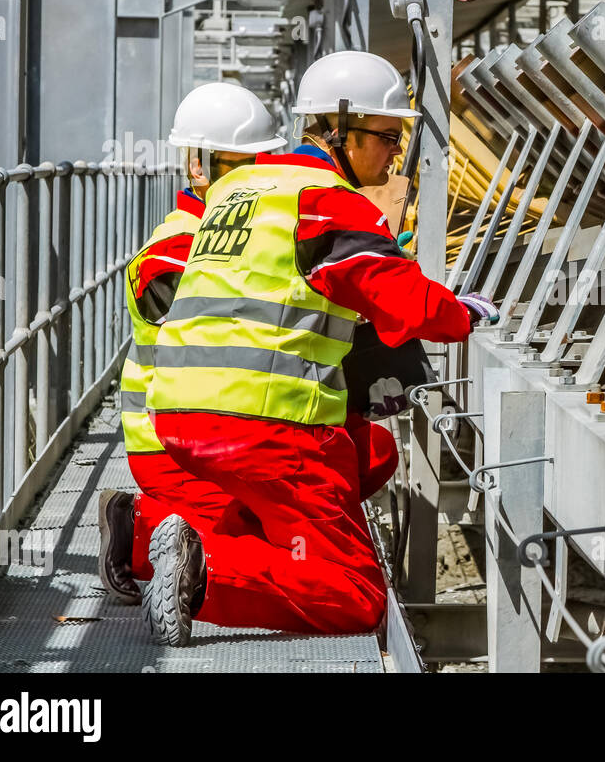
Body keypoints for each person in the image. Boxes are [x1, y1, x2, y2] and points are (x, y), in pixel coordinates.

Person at [143, 50, 498, 645]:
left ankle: (207, 544)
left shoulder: (242, 191)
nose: (393, 154)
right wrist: (463, 313)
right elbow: (403, 302)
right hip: (264, 422)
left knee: (369, 453)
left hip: (183, 417)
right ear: (340, 128)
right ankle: (205, 575)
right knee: (358, 595)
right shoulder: (327, 200)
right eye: (385, 137)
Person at [98, 82, 285, 606]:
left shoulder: (247, 236)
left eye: (261, 168)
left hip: (222, 436)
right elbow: (212, 316)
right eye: (237, 167)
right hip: (171, 445)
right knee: (242, 546)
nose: (253, 184)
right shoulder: (172, 248)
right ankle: (134, 526)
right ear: (196, 166)